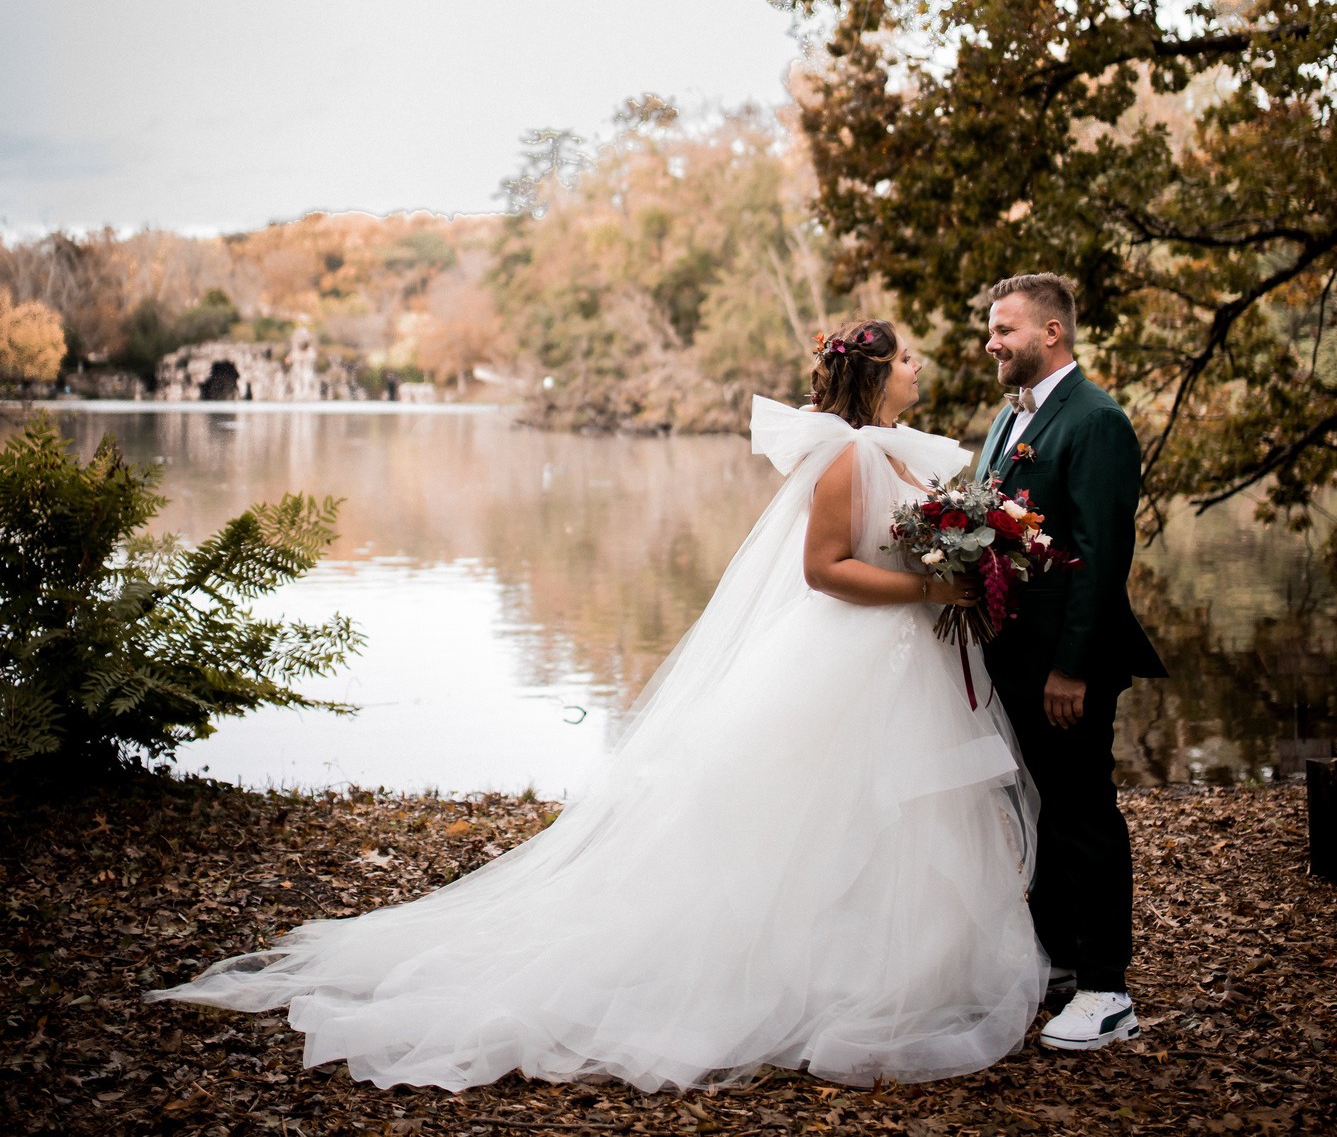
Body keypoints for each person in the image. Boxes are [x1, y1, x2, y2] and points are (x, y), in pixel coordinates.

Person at [150, 320, 1047, 1092]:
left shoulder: (886, 449)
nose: (918, 367)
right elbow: (822, 571)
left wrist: (952, 569)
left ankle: (884, 971)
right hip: (851, 659)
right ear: (872, 373)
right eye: (907, 360)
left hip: (892, 664)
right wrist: (929, 594)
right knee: (830, 815)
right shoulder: (847, 456)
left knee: (880, 817)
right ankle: (815, 978)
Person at [977, 273, 1166, 1051]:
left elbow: (1100, 554)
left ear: (1051, 333)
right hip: (1010, 657)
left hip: (1064, 665)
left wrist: (1072, 668)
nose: (991, 342)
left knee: (1083, 814)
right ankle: (1055, 966)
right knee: (1041, 812)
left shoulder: (1096, 422)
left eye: (1004, 330)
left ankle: (1106, 988)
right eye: (990, 329)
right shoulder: (1006, 416)